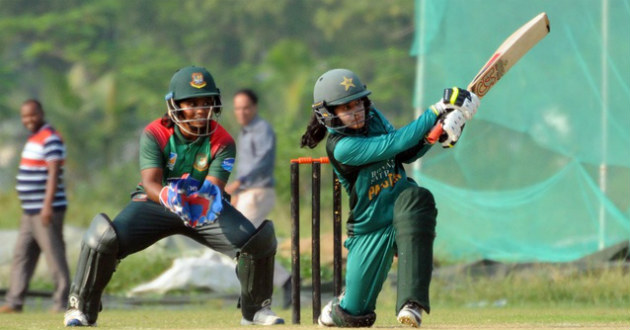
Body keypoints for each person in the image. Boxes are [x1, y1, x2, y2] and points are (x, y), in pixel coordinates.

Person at [63, 66, 284, 326]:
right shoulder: (155, 133)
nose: (201, 109)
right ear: (174, 104)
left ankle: (255, 310)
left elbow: (213, 186)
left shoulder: (223, 140)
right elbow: (150, 183)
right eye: (192, 103)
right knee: (103, 237)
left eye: (206, 102)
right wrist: (169, 197)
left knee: (255, 241)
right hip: (157, 204)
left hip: (203, 208)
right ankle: (80, 309)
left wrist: (200, 202)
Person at [300, 68, 479, 328]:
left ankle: (411, 303)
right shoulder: (341, 146)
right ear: (329, 113)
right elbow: (391, 145)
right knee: (355, 316)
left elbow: (404, 153)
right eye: (346, 107)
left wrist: (435, 133)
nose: (356, 111)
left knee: (417, 197)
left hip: (401, 208)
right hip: (369, 227)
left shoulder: (373, 117)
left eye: (358, 103)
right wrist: (437, 109)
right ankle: (343, 305)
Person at [0, 99, 71, 314]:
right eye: (24, 117)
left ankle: (62, 302)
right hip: (29, 211)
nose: (28, 120)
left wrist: (47, 206)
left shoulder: (51, 138)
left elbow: (53, 174)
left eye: (32, 115)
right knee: (22, 255)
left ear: (41, 113)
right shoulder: (34, 139)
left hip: (46, 209)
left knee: (53, 255)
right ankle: (14, 301)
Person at [224, 89, 292, 308]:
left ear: (254, 107)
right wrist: (236, 191)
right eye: (237, 108)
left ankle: (255, 292)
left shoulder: (261, 129)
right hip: (246, 192)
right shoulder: (245, 132)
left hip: (258, 191)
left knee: (242, 241)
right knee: (241, 243)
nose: (241, 112)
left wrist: (238, 183)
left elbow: (262, 161)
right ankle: (281, 281)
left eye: (245, 108)